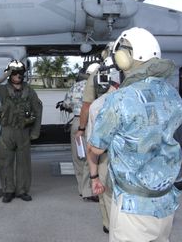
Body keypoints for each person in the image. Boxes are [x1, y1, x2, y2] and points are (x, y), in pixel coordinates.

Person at [86, 27, 182, 241]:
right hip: (166, 202)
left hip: (133, 208)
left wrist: (94, 175)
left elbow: (95, 149)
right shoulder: (172, 95)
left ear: (125, 58)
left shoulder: (119, 100)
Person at [0, 60, 43, 203]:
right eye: (14, 73)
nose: (18, 76)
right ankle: (8, 190)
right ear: (9, 74)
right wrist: (1, 78)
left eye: (20, 73)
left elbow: (38, 110)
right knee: (4, 162)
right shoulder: (2, 89)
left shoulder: (29, 91)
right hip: (7, 132)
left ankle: (22, 191)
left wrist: (35, 131)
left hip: (23, 131)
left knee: (24, 163)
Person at [76, 44, 116, 234]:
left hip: (106, 151)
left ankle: (109, 225)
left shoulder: (98, 103)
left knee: (106, 190)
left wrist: (82, 129)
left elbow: (87, 106)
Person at [61, 65, 99, 202]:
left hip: (77, 122)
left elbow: (66, 104)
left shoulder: (76, 86)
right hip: (93, 123)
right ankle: (89, 190)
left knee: (78, 157)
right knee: (92, 157)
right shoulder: (99, 85)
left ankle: (82, 190)